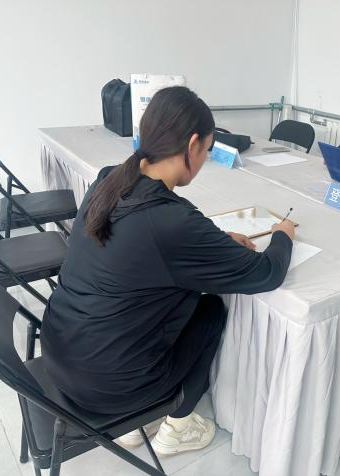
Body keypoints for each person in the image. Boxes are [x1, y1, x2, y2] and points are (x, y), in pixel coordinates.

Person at [40, 86, 295, 455]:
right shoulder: (172, 221)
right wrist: (282, 235)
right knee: (210, 309)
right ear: (192, 145)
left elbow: (148, 246)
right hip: (110, 389)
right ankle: (176, 426)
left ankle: (134, 425)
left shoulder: (110, 178)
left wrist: (216, 241)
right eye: (207, 150)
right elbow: (267, 273)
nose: (205, 159)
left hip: (60, 354)